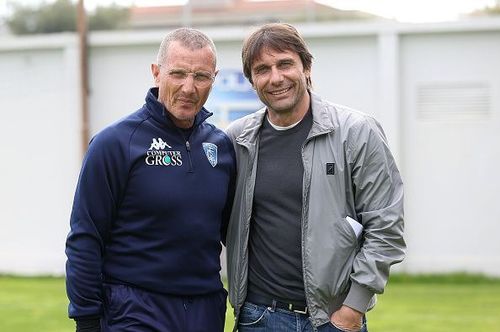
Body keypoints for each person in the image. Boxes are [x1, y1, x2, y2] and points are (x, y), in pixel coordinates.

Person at [225, 23, 405, 332]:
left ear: (306, 67)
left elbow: (386, 227)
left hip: (333, 320)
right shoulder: (237, 141)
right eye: (262, 69)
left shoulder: (357, 132)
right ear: (252, 81)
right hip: (258, 318)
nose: (276, 78)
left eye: (285, 64)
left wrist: (351, 311)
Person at [65, 27, 235, 332]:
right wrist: (87, 320)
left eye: (200, 76)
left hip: (205, 309)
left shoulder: (221, 147)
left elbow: (234, 232)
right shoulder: (115, 144)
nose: (188, 87)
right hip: (134, 309)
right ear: (156, 73)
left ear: (214, 78)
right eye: (178, 73)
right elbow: (85, 237)